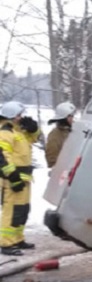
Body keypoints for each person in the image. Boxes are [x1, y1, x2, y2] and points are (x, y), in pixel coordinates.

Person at [0, 101, 40, 256]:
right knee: (11, 211)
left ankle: (17, 239)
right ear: (11, 116)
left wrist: (33, 128)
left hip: (24, 179)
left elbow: (34, 139)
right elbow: (2, 156)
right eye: (18, 115)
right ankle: (6, 243)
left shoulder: (19, 132)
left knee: (22, 210)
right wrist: (13, 177)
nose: (20, 118)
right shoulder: (5, 133)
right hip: (12, 180)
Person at [45, 102, 76, 168]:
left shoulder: (73, 130)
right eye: (70, 116)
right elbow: (51, 157)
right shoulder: (55, 135)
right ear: (64, 117)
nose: (72, 119)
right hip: (63, 171)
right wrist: (57, 169)